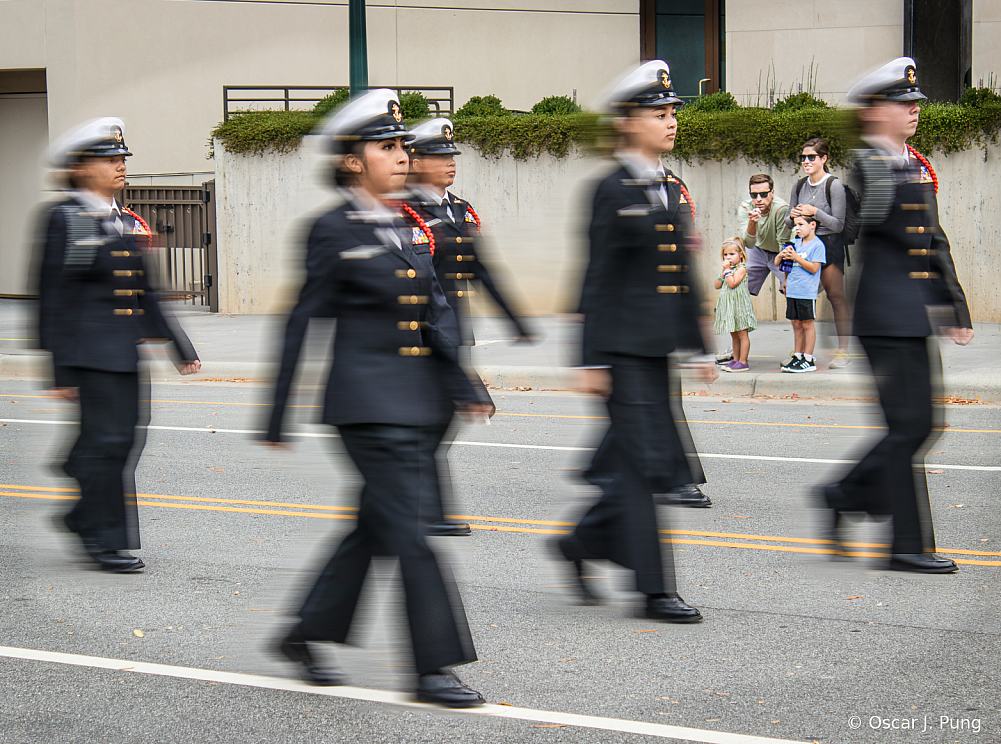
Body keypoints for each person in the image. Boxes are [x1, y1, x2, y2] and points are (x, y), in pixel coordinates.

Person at [263, 90, 494, 706]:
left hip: (418, 402)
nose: (401, 155)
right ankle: (433, 665)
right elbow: (301, 320)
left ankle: (305, 633)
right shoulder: (330, 229)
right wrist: (277, 409)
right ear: (349, 160)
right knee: (413, 532)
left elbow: (436, 309)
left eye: (401, 146)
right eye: (386, 147)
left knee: (375, 527)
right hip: (365, 408)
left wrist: (465, 381)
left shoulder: (408, 223)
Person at [553, 60, 716, 621]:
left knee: (634, 464)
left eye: (673, 113)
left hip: (657, 346)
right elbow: (594, 278)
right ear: (627, 121)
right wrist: (590, 360)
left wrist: (698, 345)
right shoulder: (610, 187)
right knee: (646, 467)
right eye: (659, 113)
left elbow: (681, 271)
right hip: (620, 349)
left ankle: (578, 543)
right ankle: (654, 589)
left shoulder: (669, 186)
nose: (671, 122)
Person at [816, 58, 972, 573]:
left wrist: (955, 304)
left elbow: (935, 238)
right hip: (883, 314)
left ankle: (843, 494)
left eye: (915, 104)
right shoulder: (871, 165)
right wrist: (886, 159)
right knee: (907, 428)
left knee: (921, 425)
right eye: (903, 104)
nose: (913, 111)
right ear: (876, 112)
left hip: (914, 312)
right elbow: (875, 214)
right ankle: (905, 546)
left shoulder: (915, 164)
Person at [37, 117, 201, 572]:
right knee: (108, 442)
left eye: (121, 159)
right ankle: (106, 541)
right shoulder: (64, 218)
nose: (119, 166)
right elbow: (51, 295)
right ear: (79, 167)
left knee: (125, 441)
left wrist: (180, 347)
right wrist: (60, 371)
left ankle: (78, 503)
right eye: (108, 159)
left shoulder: (126, 221)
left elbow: (147, 291)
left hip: (125, 351)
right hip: (88, 354)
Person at [401, 117, 532, 537]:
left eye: (451, 155)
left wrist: (516, 318)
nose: (449, 163)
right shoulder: (403, 211)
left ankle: (420, 505)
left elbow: (479, 269)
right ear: (415, 162)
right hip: (422, 333)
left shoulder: (459, 209)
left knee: (436, 420)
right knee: (436, 417)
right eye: (439, 156)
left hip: (454, 329)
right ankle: (425, 509)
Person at [785, 138, 852, 369]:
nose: (806, 161)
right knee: (800, 296)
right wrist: (792, 216)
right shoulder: (799, 185)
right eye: (803, 157)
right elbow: (788, 222)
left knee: (835, 296)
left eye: (811, 157)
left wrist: (816, 212)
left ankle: (843, 350)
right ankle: (800, 353)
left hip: (829, 244)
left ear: (824, 158)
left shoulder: (833, 185)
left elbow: (839, 225)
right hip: (803, 243)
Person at [717, 175, 792, 365]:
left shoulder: (781, 209)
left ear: (772, 193)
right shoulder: (746, 208)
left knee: (792, 293)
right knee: (731, 293)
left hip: (778, 253)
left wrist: (786, 277)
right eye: (754, 194)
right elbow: (748, 243)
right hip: (757, 251)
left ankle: (799, 352)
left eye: (764, 194)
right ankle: (735, 350)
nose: (759, 199)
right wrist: (753, 222)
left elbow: (784, 243)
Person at [775, 215, 824, 372]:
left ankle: (808, 359)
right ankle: (798, 355)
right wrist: (785, 277)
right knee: (796, 323)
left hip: (806, 291)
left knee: (807, 324)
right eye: (796, 225)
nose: (797, 228)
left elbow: (814, 268)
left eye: (801, 224)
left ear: (812, 225)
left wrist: (796, 257)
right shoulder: (794, 243)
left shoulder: (817, 245)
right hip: (792, 290)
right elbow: (781, 264)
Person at [713, 238, 757, 372]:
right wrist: (723, 272)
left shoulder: (741, 269)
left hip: (739, 305)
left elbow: (732, 283)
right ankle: (735, 359)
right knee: (734, 334)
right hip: (729, 306)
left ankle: (743, 361)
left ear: (741, 255)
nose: (728, 257)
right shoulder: (727, 269)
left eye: (732, 254)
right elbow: (717, 285)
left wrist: (727, 271)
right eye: (726, 255)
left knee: (742, 333)